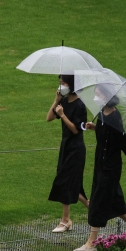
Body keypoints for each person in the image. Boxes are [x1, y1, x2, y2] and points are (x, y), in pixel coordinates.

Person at [73, 94, 126, 251]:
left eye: (99, 94)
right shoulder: (101, 114)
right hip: (100, 164)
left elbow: (123, 141)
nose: (96, 97)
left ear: (107, 97)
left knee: (98, 201)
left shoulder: (115, 118)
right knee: (114, 198)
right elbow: (106, 134)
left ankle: (91, 242)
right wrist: (95, 127)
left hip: (110, 167)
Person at [46, 75, 89, 233]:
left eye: (63, 83)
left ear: (71, 85)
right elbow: (49, 117)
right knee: (69, 182)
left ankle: (66, 220)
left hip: (76, 149)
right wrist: (56, 100)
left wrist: (63, 115)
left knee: (65, 182)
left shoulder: (80, 105)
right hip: (65, 147)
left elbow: (76, 130)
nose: (61, 86)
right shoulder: (64, 101)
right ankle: (88, 208)